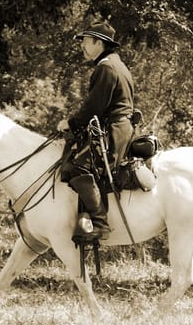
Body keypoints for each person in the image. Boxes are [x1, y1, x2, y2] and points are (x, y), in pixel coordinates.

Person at [57, 19, 135, 241]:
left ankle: (100, 224)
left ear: (99, 43)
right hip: (118, 126)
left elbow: (94, 107)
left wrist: (70, 123)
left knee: (79, 166)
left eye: (85, 41)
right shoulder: (116, 64)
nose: (82, 46)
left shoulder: (106, 68)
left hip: (114, 130)